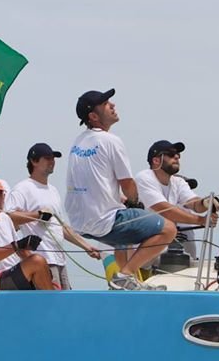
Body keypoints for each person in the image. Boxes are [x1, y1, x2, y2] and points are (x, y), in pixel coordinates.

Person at [65, 88, 176, 290]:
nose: (113, 104)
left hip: (79, 223)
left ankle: (127, 283)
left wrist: (122, 201)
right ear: (93, 116)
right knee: (169, 229)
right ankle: (125, 275)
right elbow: (128, 184)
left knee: (123, 221)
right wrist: (135, 202)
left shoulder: (78, 141)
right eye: (106, 104)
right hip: (103, 221)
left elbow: (95, 183)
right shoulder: (111, 141)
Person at [6, 143, 101, 289]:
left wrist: (86, 246)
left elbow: (61, 226)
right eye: (47, 158)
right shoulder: (22, 188)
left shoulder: (53, 190)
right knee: (52, 306)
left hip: (60, 260)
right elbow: (8, 217)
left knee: (66, 305)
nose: (52, 161)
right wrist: (37, 215)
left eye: (53, 158)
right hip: (42, 261)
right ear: (34, 161)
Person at [0, 177, 55, 291]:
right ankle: (54, 307)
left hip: (10, 274)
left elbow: (19, 250)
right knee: (37, 261)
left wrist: (42, 266)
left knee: (42, 265)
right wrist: (17, 245)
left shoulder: (5, 219)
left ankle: (50, 305)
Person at [136, 140, 219, 259]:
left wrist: (206, 203)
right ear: (156, 160)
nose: (176, 157)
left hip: (163, 246)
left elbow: (194, 204)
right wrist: (201, 220)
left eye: (178, 155)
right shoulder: (144, 178)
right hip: (139, 250)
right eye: (170, 154)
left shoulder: (177, 182)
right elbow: (165, 210)